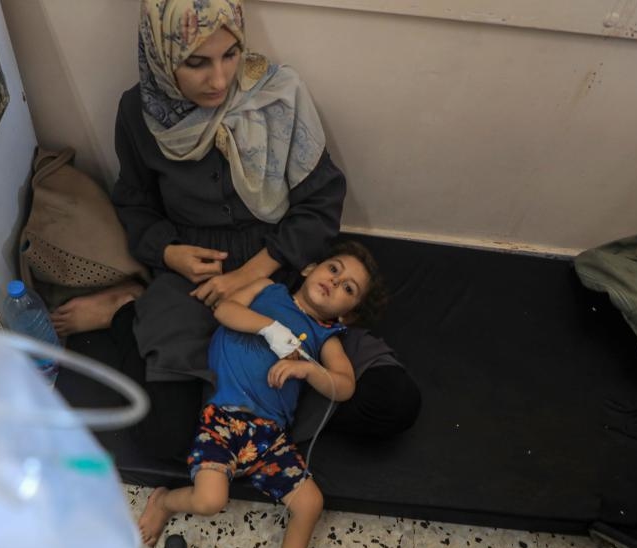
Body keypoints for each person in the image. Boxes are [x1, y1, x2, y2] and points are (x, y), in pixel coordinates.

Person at [51, 0, 419, 459]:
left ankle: (237, 398)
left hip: (283, 269)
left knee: (393, 403)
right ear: (162, 56)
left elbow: (320, 206)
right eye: (196, 62)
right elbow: (134, 202)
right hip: (192, 280)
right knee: (163, 443)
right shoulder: (138, 113)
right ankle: (127, 311)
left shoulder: (279, 96)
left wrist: (253, 274)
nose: (220, 80)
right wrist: (169, 253)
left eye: (230, 55)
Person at [137, 241, 385, 548]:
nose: (335, 282)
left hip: (269, 434)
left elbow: (344, 386)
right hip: (225, 417)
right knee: (209, 501)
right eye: (334, 270)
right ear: (309, 268)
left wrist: (307, 371)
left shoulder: (327, 337)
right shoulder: (268, 290)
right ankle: (164, 500)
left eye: (348, 288)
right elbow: (224, 310)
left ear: (347, 313)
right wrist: (271, 328)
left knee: (311, 502)